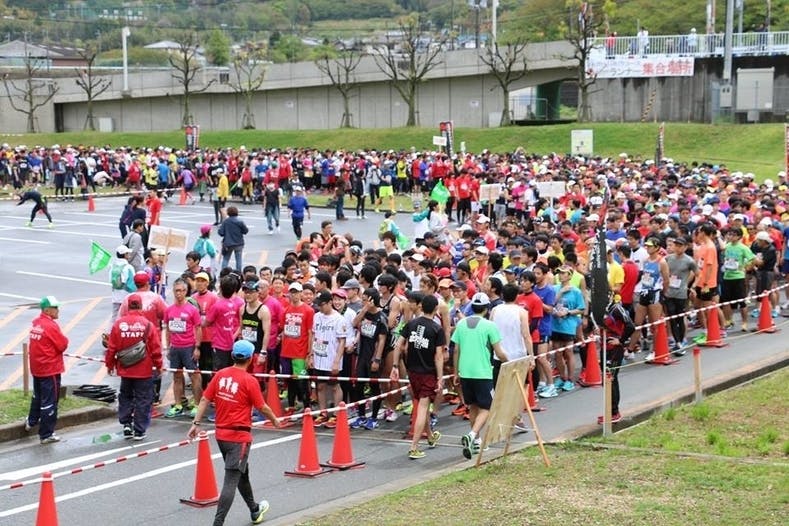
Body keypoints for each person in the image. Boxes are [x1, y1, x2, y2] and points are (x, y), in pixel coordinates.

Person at [188, 340, 281, 526]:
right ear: (250, 359)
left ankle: (254, 509)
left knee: (241, 474)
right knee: (231, 480)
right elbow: (262, 406)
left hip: (221, 435)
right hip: (239, 438)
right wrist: (275, 420)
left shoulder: (220, 375)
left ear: (232, 356)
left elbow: (205, 399)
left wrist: (195, 423)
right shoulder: (249, 381)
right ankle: (218, 522)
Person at [451, 292, 509, 459]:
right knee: (488, 407)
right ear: (486, 308)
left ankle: (475, 441)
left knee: (473, 406)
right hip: (482, 372)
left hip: (465, 372)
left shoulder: (461, 324)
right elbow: (499, 352)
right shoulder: (489, 326)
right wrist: (510, 362)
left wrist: (456, 372)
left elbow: (456, 350)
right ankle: (472, 435)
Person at [391, 294, 444, 459]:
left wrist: (395, 366)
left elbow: (398, 344)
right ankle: (414, 447)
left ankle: (430, 436)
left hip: (412, 371)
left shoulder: (411, 324)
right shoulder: (437, 329)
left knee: (422, 405)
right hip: (428, 373)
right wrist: (440, 377)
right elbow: (439, 356)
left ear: (421, 306)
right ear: (436, 309)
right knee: (422, 408)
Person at [105, 293, 162, 440]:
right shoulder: (147, 325)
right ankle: (139, 430)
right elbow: (155, 348)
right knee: (143, 399)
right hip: (143, 370)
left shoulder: (119, 324)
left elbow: (111, 348)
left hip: (125, 369)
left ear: (128, 306)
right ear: (140, 306)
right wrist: (159, 365)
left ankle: (126, 424)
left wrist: (110, 364)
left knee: (126, 396)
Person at [24, 296, 69, 444]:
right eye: (55, 308)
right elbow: (62, 344)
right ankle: (46, 434)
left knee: (37, 396)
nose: (58, 310)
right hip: (50, 369)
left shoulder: (36, 323)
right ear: (47, 310)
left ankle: (31, 421)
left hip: (37, 367)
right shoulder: (51, 326)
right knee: (50, 402)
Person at [163, 278, 203, 418]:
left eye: (182, 291)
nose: (179, 293)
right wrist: (168, 347)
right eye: (177, 291)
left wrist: (197, 347)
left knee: (194, 376)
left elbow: (198, 328)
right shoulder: (169, 310)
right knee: (177, 377)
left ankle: (197, 404)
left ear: (186, 291)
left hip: (188, 347)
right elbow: (168, 329)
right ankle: (178, 404)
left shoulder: (192, 310)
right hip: (175, 348)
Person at [309, 291, 348, 428]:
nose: (320, 307)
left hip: (331, 358)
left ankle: (336, 414)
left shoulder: (339, 319)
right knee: (320, 386)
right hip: (318, 357)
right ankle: (323, 412)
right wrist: (311, 355)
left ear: (330, 303)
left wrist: (337, 361)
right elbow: (313, 336)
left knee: (334, 386)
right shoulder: (317, 317)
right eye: (318, 305)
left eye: (322, 305)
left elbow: (342, 341)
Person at [597, 293, 635, 424]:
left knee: (611, 379)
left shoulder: (617, 308)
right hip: (604, 348)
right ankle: (609, 411)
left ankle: (614, 412)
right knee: (606, 380)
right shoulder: (600, 309)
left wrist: (621, 340)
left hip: (615, 350)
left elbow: (631, 326)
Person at [664, 236, 697, 354]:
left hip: (681, 293)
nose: (677, 248)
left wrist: (692, 286)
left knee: (680, 317)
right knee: (671, 317)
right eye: (676, 245)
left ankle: (681, 340)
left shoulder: (689, 261)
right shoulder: (668, 258)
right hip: (669, 292)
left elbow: (698, 273)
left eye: (680, 246)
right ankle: (677, 342)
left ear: (685, 247)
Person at [110, 245, 137, 323]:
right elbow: (133, 282)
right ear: (125, 255)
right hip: (126, 296)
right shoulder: (128, 267)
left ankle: (111, 329)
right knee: (125, 316)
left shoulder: (112, 266)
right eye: (128, 253)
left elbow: (111, 281)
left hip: (115, 296)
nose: (129, 255)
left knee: (114, 316)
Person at [218, 206, 248, 271]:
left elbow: (221, 233)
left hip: (228, 244)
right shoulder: (240, 221)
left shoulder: (226, 221)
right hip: (239, 243)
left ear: (228, 213)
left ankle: (223, 273)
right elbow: (245, 231)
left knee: (226, 259)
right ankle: (238, 272)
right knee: (239, 260)